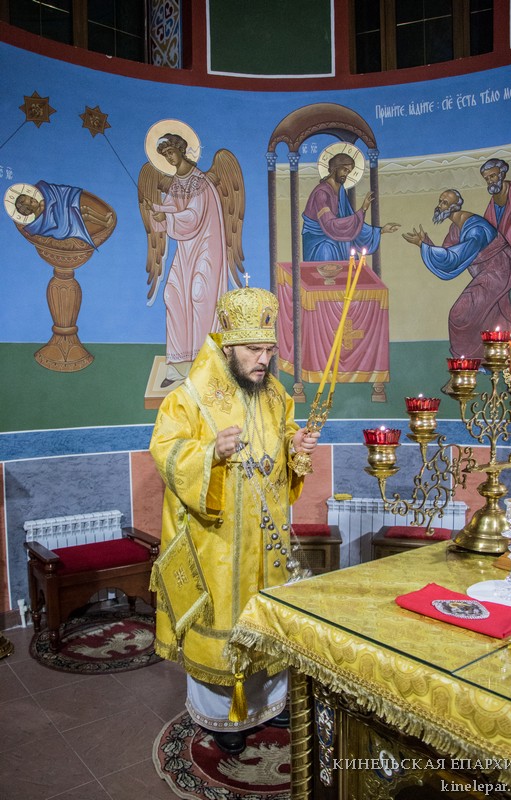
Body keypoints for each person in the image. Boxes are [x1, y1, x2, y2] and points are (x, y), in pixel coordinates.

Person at [149, 284, 320, 756]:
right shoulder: (190, 396)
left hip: (267, 541)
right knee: (225, 623)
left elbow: (282, 440)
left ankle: (270, 702)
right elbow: (165, 450)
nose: (263, 360)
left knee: (268, 617)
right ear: (227, 346)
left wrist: (295, 446)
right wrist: (210, 453)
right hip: (218, 544)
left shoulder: (275, 394)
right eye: (253, 350)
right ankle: (224, 714)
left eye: (269, 350)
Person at [143, 133, 231, 388]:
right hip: (186, 251)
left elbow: (193, 216)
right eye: (165, 155)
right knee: (172, 295)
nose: (169, 158)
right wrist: (158, 210)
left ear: (181, 150)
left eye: (171, 152)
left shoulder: (201, 182)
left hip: (206, 248)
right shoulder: (176, 183)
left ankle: (206, 364)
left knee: (199, 296)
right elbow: (173, 208)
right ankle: (179, 367)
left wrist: (167, 217)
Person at [403, 189, 511, 360]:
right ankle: (497, 359)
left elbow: (454, 258)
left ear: (455, 207)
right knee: (494, 316)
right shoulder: (456, 228)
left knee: (459, 313)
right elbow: (447, 254)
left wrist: (424, 247)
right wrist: (426, 243)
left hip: (498, 272)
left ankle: (466, 361)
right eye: (440, 201)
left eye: (445, 203)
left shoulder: (475, 228)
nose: (439, 206)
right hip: (488, 274)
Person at [301, 152, 400, 261]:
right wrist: (362, 210)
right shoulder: (321, 193)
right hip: (319, 241)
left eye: (348, 171)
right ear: (335, 168)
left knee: (348, 254)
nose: (346, 174)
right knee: (327, 251)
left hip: (335, 237)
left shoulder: (341, 192)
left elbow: (350, 221)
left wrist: (380, 231)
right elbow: (330, 224)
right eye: (344, 170)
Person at [481, 157, 511, 341]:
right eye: (487, 178)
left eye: (493, 176)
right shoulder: (493, 201)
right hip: (504, 263)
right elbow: (489, 230)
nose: (490, 181)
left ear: (502, 174)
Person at [13, 180, 113, 247]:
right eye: (31, 202)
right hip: (63, 226)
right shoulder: (37, 218)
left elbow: (53, 197)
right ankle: (105, 223)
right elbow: (49, 223)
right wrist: (52, 208)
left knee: (84, 209)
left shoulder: (41, 203)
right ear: (29, 210)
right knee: (85, 216)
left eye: (31, 198)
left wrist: (56, 205)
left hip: (64, 214)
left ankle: (104, 218)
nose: (34, 200)